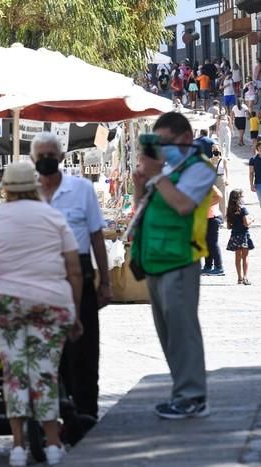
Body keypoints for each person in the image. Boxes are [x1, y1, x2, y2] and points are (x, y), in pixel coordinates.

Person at [0, 162, 83, 466]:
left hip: (8, 302)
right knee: (45, 372)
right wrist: (76, 313)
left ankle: (18, 447)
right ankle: (54, 445)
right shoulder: (54, 216)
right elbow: (74, 268)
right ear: (35, 185)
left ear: (5, 188)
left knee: (15, 373)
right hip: (53, 302)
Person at [131, 112, 215, 419]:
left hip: (181, 258)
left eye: (165, 142)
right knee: (167, 333)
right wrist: (141, 182)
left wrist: (157, 175)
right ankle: (181, 392)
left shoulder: (199, 169)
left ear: (185, 139)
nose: (161, 148)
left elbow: (182, 205)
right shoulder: (164, 169)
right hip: (154, 258)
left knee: (183, 330)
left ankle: (193, 396)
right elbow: (141, 207)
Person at [31, 131, 111, 421]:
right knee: (50, 346)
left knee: (85, 346)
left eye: (51, 156)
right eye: (41, 157)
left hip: (80, 272)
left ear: (61, 158)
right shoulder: (27, 193)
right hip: (42, 275)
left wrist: (106, 281)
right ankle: (57, 409)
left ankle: (86, 409)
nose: (47, 161)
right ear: (33, 160)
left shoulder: (81, 189)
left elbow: (96, 235)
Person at [226, 189, 254, 285]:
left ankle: (239, 278)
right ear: (239, 198)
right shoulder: (243, 209)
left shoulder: (229, 209)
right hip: (244, 235)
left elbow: (229, 226)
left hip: (235, 235)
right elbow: (246, 223)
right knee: (245, 257)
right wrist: (252, 219)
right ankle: (245, 277)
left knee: (237, 257)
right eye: (242, 196)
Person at [201, 185, 224, 276]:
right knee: (207, 243)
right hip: (205, 218)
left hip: (213, 217)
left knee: (213, 243)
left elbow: (219, 196)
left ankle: (219, 267)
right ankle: (208, 266)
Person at [211, 145, 229, 217]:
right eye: (214, 149)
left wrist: (227, 179)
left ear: (219, 150)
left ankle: (223, 216)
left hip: (221, 178)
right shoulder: (210, 160)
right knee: (213, 198)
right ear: (212, 151)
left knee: (223, 198)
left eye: (217, 149)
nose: (215, 150)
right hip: (213, 180)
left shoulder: (223, 160)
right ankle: (214, 215)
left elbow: (226, 170)